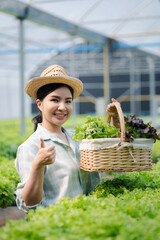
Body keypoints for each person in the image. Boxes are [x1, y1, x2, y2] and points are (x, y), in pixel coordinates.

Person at [15, 64, 118, 213]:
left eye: (68, 101)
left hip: (91, 221)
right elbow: (28, 202)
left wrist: (115, 120)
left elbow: (112, 149)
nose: (63, 107)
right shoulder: (31, 147)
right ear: (39, 104)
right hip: (60, 228)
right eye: (55, 100)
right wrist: (38, 165)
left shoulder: (78, 138)